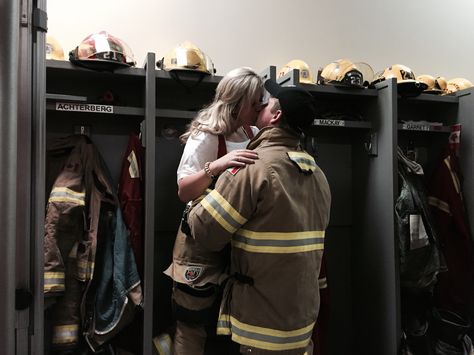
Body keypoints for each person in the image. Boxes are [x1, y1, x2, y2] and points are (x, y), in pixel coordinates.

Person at [187, 78, 332, 354]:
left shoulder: (252, 167)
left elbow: (205, 232)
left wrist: (203, 193)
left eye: (266, 105)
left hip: (261, 326)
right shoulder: (318, 174)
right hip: (301, 324)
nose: (259, 108)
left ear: (276, 116)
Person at [164, 67, 265, 355]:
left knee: (237, 328)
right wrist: (217, 166)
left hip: (240, 243)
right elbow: (184, 191)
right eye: (254, 101)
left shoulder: (255, 133)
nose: (259, 106)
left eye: (261, 100)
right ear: (238, 101)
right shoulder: (207, 135)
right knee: (192, 323)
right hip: (200, 244)